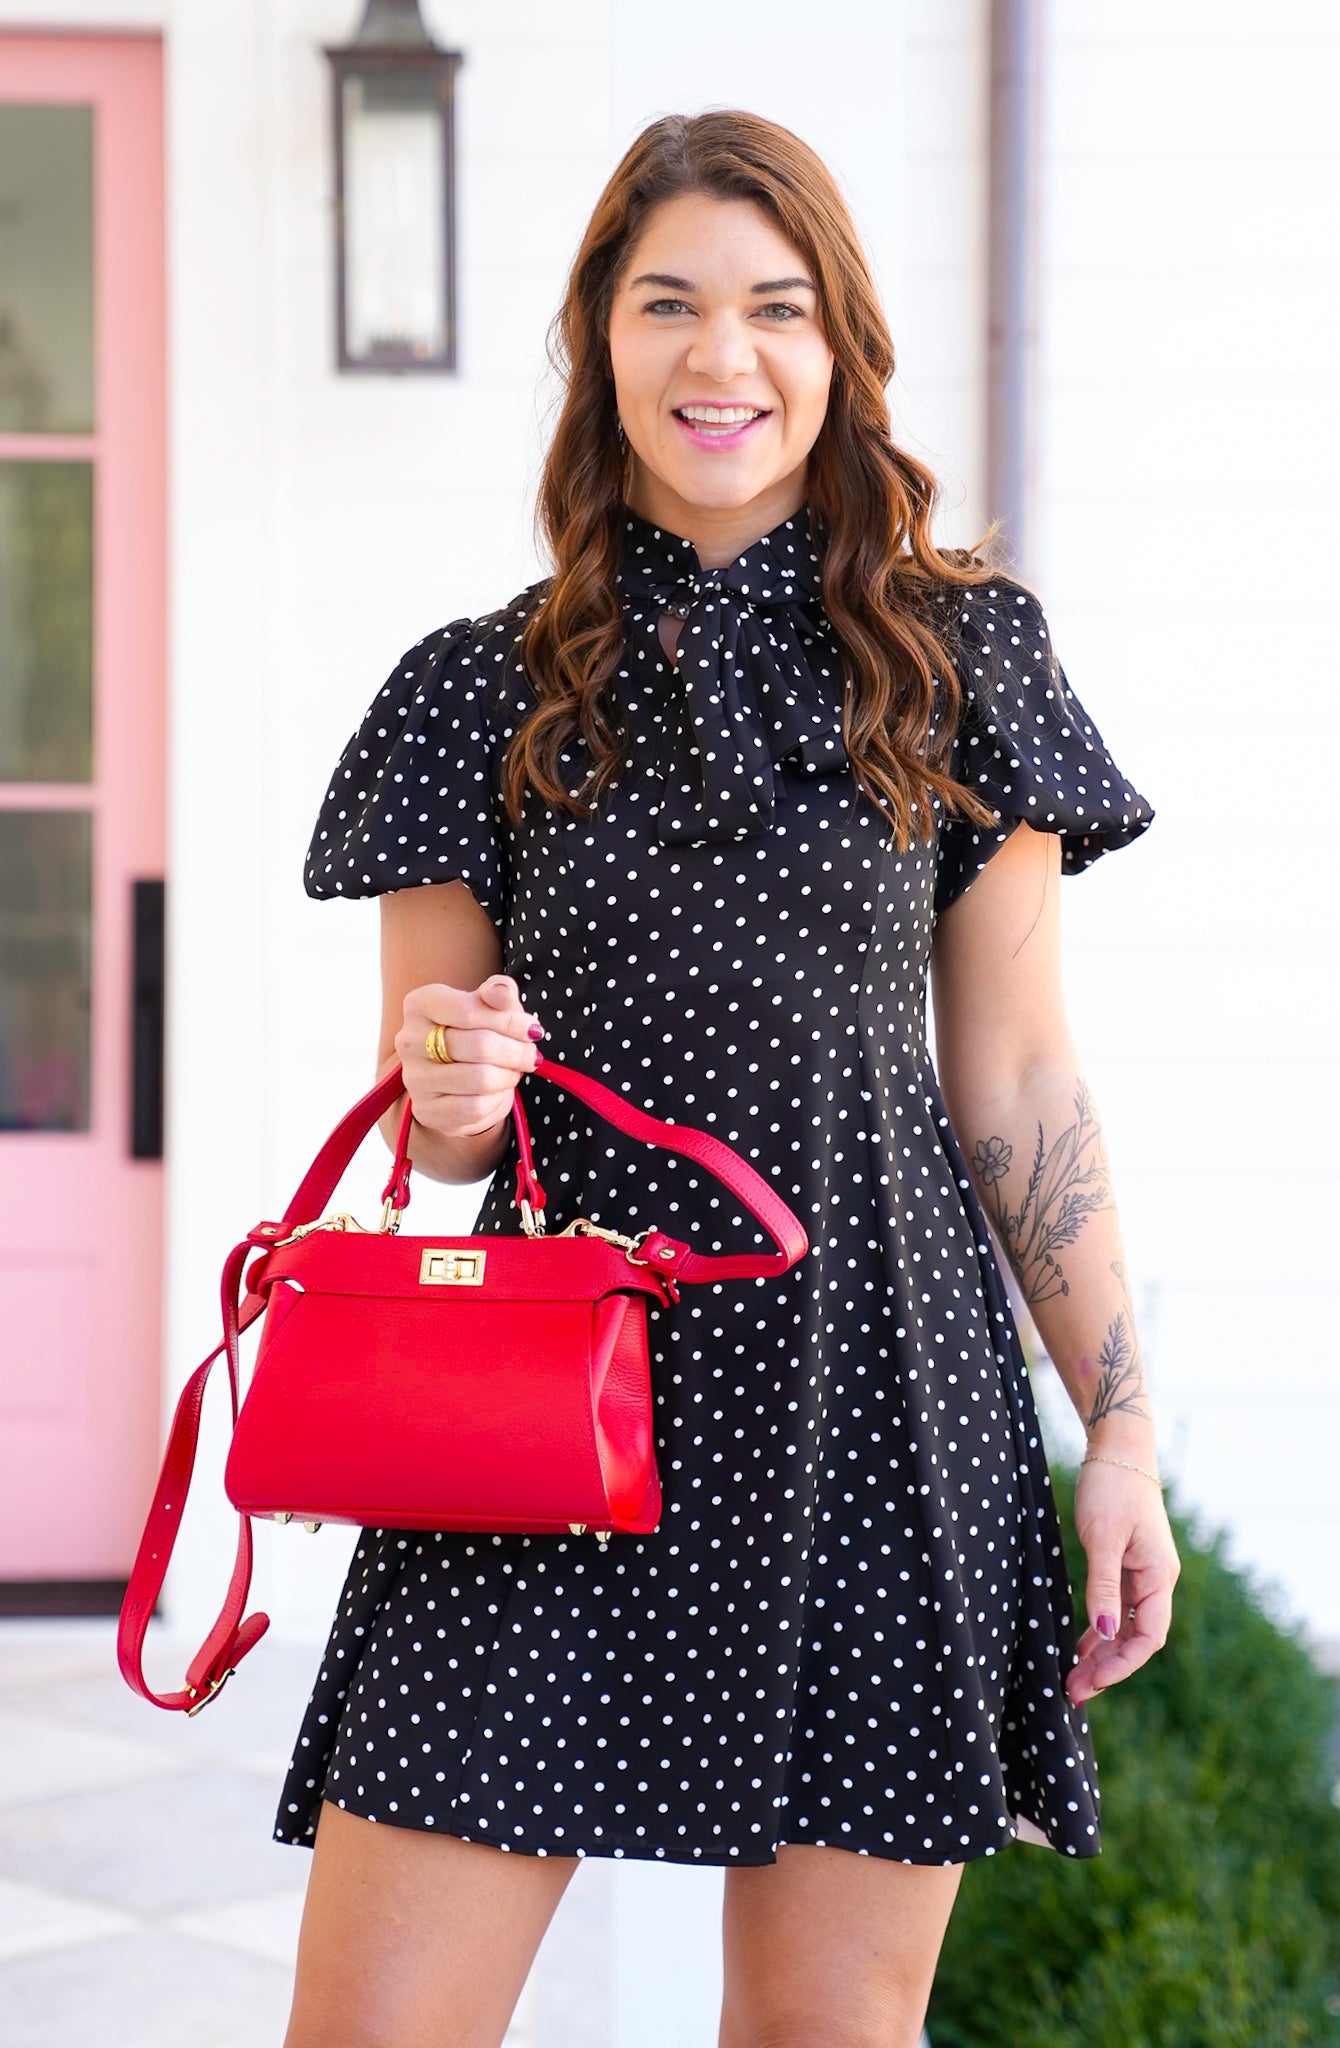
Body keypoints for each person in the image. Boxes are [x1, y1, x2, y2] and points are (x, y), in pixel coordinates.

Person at [277, 108, 1180, 2048]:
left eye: (773, 308)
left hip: (875, 1405)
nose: (721, 355)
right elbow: (438, 1120)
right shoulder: (471, 693)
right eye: (667, 301)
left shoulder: (958, 665)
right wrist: (452, 1091)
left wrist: (1116, 1431)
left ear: (838, 347)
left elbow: (1016, 1085)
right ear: (597, 336)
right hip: (531, 1417)